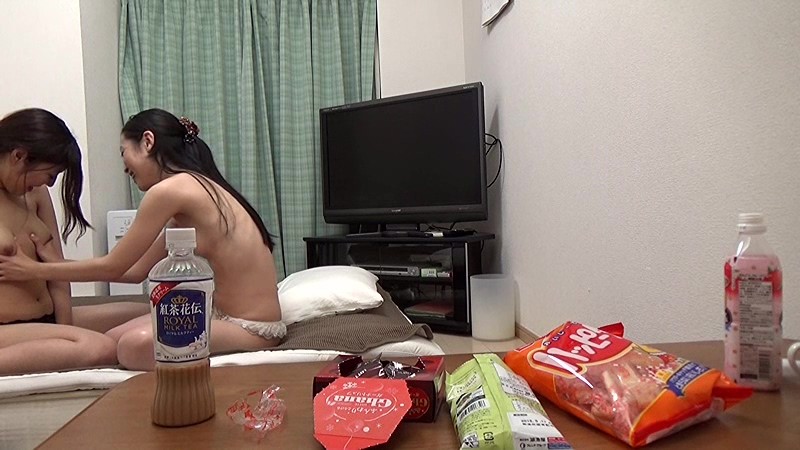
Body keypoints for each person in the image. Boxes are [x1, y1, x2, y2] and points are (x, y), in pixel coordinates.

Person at [0, 109, 284, 371]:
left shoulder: (171, 190)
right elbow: (135, 272)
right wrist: (53, 266)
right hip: (222, 316)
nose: (125, 168)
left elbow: (113, 266)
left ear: (147, 142)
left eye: (124, 152)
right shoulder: (193, 191)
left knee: (130, 345)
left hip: (251, 327)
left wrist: (35, 269)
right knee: (116, 337)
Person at [0, 108, 118, 375]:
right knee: (100, 348)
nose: (50, 184)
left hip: (46, 319)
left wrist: (64, 329)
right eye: (50, 174)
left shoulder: (35, 193)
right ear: (19, 156)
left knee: (151, 313)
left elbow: (57, 272)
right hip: (6, 329)